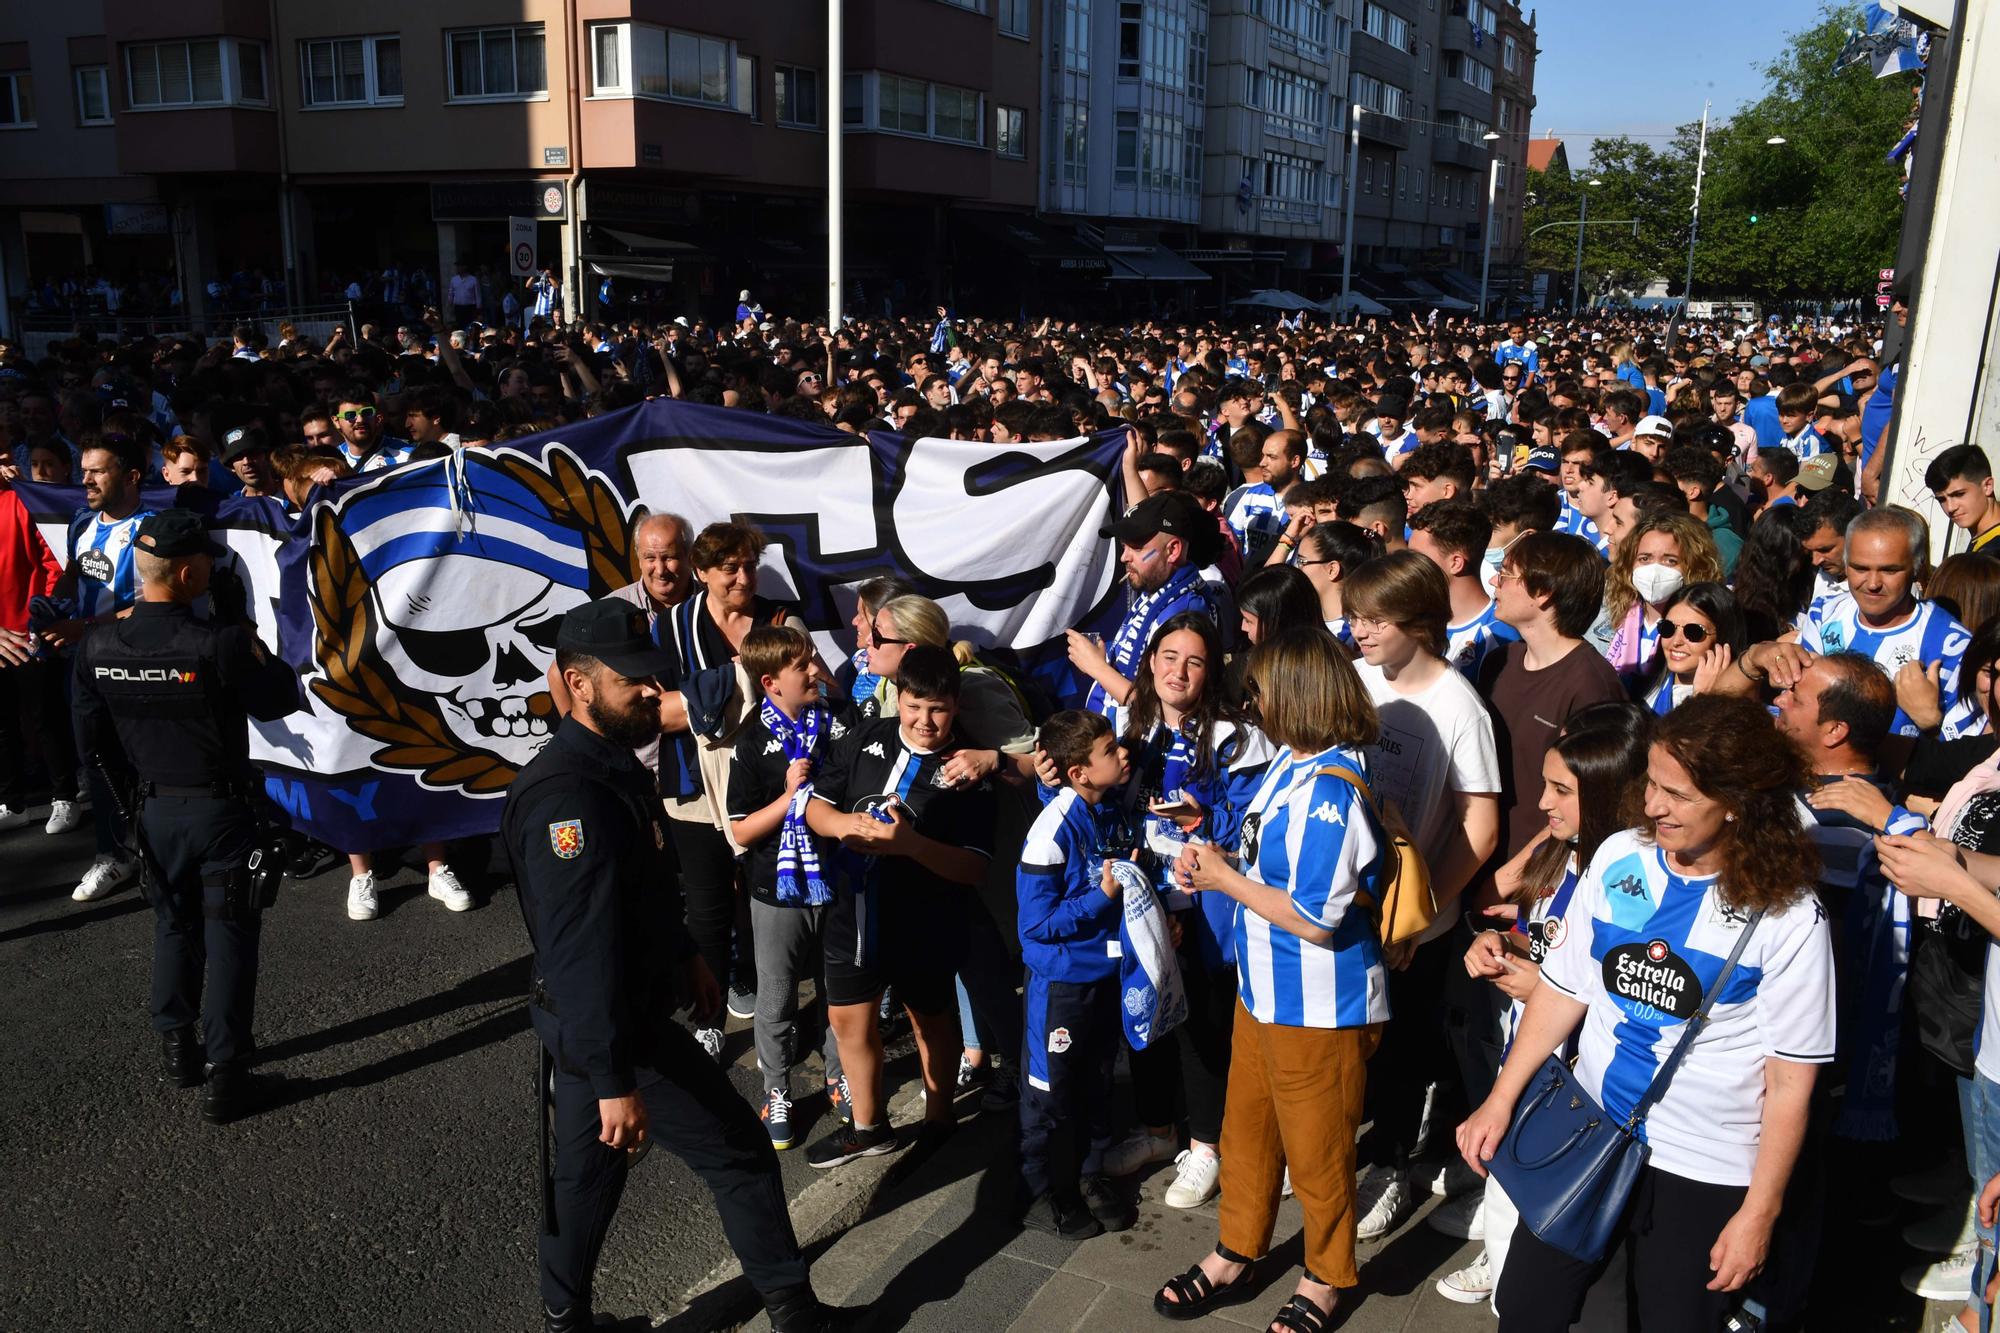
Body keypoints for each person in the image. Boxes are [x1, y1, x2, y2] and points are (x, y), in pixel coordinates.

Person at [502, 598, 846, 1333]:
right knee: (742, 1154)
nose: (656, 694)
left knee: (584, 1183)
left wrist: (689, 954)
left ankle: (566, 1319)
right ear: (579, 682)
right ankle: (796, 1311)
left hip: (602, 1020)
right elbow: (579, 952)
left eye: (656, 677)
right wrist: (613, 1080)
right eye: (635, 682)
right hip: (615, 1030)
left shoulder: (613, 765)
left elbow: (643, 890)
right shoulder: (571, 797)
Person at [1458, 695, 1833, 1332]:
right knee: (1526, 1308)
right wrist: (1500, 1099)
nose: (1654, 807)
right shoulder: (1617, 858)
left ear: (1738, 801)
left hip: (1703, 1168)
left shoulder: (1790, 915)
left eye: (1679, 795)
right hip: (1588, 1132)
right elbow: (1564, 990)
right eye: (1652, 785)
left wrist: (1760, 1212)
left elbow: (1791, 1083)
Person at [1152, 630, 1389, 1332]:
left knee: (1318, 1154)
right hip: (1264, 992)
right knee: (1247, 1131)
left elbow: (1317, 917)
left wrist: (1223, 877)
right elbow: (1269, 865)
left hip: (1321, 1004)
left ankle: (1325, 1276)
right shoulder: (1294, 760)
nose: (1251, 705)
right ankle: (1238, 1249)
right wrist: (1217, 847)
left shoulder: (1334, 790)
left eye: (1260, 694)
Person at [71, 509, 302, 1123]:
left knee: (173, 927)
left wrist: (128, 811)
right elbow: (283, 696)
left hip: (152, 810)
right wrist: (238, 625)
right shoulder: (218, 641)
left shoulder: (97, 641)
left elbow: (90, 743)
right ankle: (226, 1077)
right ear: (188, 570)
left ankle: (177, 1050)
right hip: (220, 810)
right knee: (228, 937)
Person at [1443, 704, 1654, 1310]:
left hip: (1581, 1103)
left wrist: (1545, 988)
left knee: (1548, 1272)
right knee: (1516, 1246)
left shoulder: (1632, 879)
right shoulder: (1566, 852)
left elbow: (1634, 998)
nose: (1541, 802)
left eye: (1561, 789)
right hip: (1531, 1078)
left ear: (1613, 792)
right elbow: (1551, 939)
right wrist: (1502, 945)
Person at [1341, 552, 1503, 1241]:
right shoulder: (1351, 679)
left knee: (1404, 1055)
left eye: (1374, 618)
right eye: (1353, 615)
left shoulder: (1461, 705)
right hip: (1342, 906)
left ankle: (1392, 1170)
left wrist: (1425, 914)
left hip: (1412, 926)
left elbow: (1481, 825)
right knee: (1349, 1044)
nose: (1359, 631)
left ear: (1420, 622)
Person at [1092, 613, 1275, 1207]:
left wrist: (1205, 823)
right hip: (1139, 897)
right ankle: (1156, 1130)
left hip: (1205, 906)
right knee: (1143, 1017)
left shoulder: (1236, 734)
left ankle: (1206, 1147)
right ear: (1150, 662)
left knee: (1200, 1026)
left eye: (1195, 661)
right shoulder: (1125, 724)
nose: (1179, 671)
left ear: (1211, 671)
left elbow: (1255, 826)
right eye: (1169, 657)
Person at [802, 645, 996, 1167]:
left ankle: (940, 1116)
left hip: (923, 922)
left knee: (928, 1020)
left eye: (937, 708)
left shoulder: (969, 771)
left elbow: (975, 867)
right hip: (851, 912)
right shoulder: (867, 735)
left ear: (955, 705)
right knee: (848, 1021)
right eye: (914, 706)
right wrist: (843, 824)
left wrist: (910, 845)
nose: (924, 720)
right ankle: (868, 1127)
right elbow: (814, 804)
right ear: (898, 698)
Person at [1015, 709, 1135, 1238]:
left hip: (1102, 978)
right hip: (1060, 989)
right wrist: (1099, 898)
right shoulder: (1050, 831)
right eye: (1111, 750)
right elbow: (1035, 926)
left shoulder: (1104, 811)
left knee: (1095, 1082)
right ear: (1080, 771)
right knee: (1049, 1093)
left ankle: (1087, 1175)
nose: (1124, 754)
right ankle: (1044, 1192)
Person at [727, 625, 846, 1151]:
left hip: (838, 878)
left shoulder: (837, 719)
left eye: (814, 658)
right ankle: (776, 1092)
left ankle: (840, 1078)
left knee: (838, 991)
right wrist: (788, 797)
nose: (817, 669)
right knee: (776, 998)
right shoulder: (751, 740)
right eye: (804, 665)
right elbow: (739, 829)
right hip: (777, 890)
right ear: (773, 682)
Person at [1745, 507, 1971, 740]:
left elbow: (1972, 754)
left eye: (1889, 570)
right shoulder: (1825, 611)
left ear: (1916, 567)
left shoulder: (1951, 643)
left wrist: (1931, 722)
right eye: (1860, 568)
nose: (1872, 583)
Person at [1479, 532, 1626, 863]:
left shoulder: (1592, 685)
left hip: (1535, 876)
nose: (1493, 581)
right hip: (1479, 857)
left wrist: (1508, 879)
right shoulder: (1498, 661)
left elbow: (1589, 805)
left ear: (1543, 592)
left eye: (1505, 574)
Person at [1068, 492, 1223, 713]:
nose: (1124, 557)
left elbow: (1162, 708)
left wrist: (1097, 668)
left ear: (1173, 550)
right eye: (1124, 546)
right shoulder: (1160, 588)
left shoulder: (1187, 612)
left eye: (1136, 547)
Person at [1595, 510, 1726, 683]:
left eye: (1670, 560)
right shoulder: (1607, 613)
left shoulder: (1703, 627)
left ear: (1694, 566)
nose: (1654, 570)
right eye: (1645, 558)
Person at [1408, 498, 1519, 680]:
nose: (1406, 566)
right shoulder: (1408, 619)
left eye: (1416, 558)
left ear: (1456, 563)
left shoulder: (1500, 637)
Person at [1296, 519, 1382, 650]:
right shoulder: (1302, 616)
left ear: (1332, 570)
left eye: (1302, 561)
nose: (1297, 568)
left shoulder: (1350, 634)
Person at [1927, 444, 2000, 558]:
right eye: (1941, 499)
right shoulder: (1983, 541)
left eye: (1959, 494)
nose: (1950, 508)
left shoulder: (1994, 552)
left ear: (1988, 486)